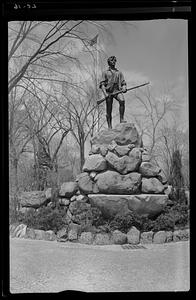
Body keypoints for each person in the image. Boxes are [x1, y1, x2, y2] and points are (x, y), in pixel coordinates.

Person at [99, 56, 127, 129]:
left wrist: (124, 87)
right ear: (109, 62)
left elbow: (123, 82)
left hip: (117, 90)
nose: (114, 61)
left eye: (115, 60)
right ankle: (109, 126)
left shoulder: (119, 72)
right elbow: (102, 85)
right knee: (109, 110)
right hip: (109, 92)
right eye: (112, 60)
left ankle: (122, 119)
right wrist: (105, 94)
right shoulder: (105, 72)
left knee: (122, 100)